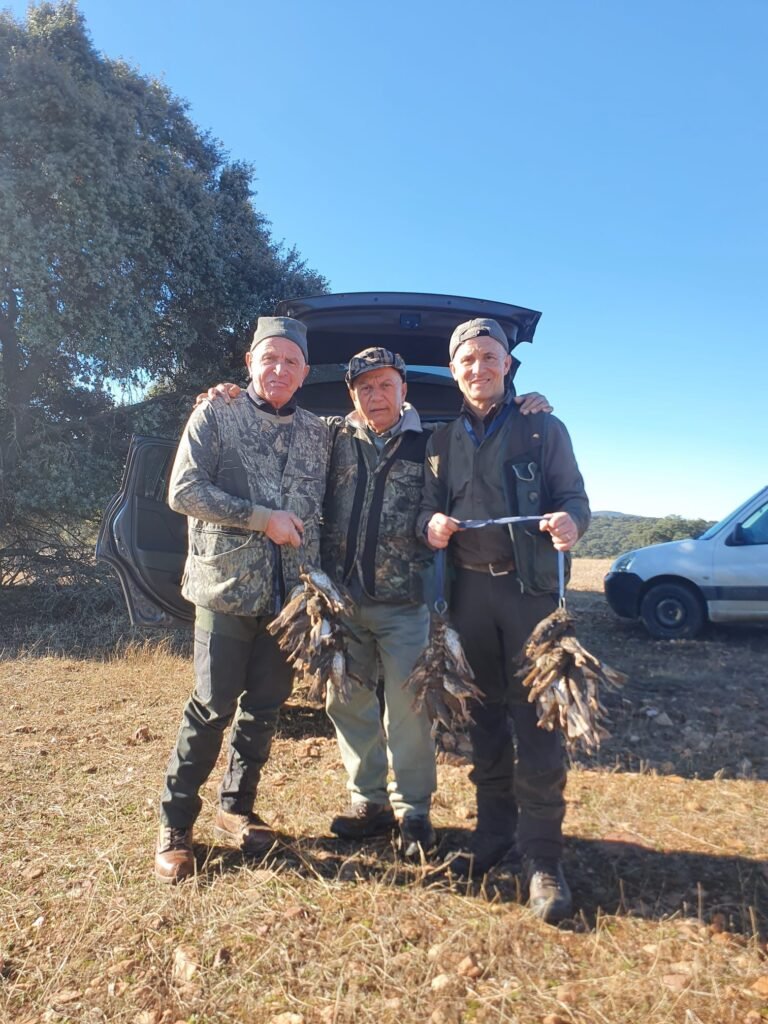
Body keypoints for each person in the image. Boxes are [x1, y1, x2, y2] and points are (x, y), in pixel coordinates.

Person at [201, 346, 551, 861]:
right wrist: (226, 394)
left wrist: (525, 404)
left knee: (409, 712)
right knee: (346, 704)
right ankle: (370, 805)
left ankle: (414, 813)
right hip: (339, 602)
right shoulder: (331, 437)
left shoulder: (432, 444)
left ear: (403, 390)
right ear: (353, 395)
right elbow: (273, 416)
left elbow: (459, 487)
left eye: (386, 385)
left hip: (404, 601)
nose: (376, 395)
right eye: (365, 387)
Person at [417, 317, 590, 923]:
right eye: (467, 359)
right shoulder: (439, 442)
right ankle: (493, 837)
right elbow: (424, 513)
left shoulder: (543, 428)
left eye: (490, 357)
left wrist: (571, 524)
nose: (478, 367)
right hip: (467, 601)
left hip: (530, 600)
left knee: (539, 725)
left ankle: (543, 859)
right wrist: (429, 526)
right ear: (454, 368)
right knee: (484, 723)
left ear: (509, 365)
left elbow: (574, 499)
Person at [154, 316, 330, 884]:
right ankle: (176, 827)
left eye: (291, 362)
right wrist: (262, 520)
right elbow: (183, 490)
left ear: (304, 374)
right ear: (250, 361)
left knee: (265, 707)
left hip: (290, 600)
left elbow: (385, 428)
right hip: (227, 589)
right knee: (211, 708)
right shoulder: (216, 412)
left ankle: (237, 808)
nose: (279, 369)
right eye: (269, 358)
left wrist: (525, 405)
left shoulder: (321, 431)